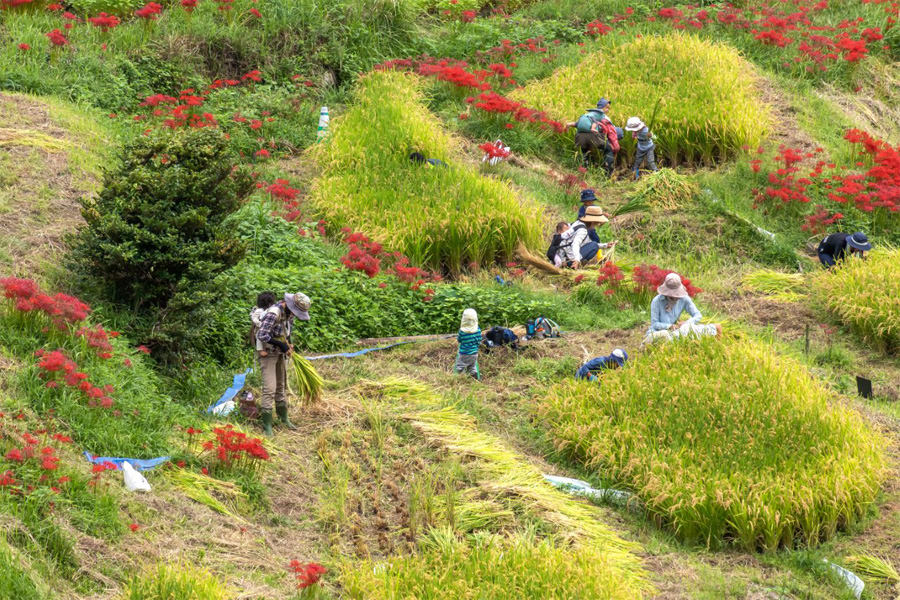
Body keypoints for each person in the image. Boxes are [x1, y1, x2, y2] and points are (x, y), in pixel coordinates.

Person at [256, 292, 311, 436]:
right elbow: (262, 334)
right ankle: (267, 425)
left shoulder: (289, 314)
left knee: (281, 386)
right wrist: (280, 344)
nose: (294, 314)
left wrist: (289, 344)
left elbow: (287, 331)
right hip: (268, 354)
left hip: (280, 353)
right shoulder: (274, 313)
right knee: (270, 388)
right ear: (290, 305)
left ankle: (283, 418)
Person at [643, 273, 721, 346]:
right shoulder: (657, 301)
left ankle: (715, 328)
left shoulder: (684, 299)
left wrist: (686, 323)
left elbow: (697, 315)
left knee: (689, 330)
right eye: (672, 296)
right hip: (658, 331)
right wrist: (669, 326)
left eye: (677, 295)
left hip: (675, 332)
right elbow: (655, 324)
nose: (675, 298)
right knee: (663, 335)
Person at [455, 308, 481, 380]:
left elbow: (459, 340)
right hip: (474, 353)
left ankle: (460, 378)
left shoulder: (462, 331)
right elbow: (479, 340)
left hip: (464, 353)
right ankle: (474, 378)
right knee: (472, 366)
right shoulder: (478, 330)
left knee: (460, 366)